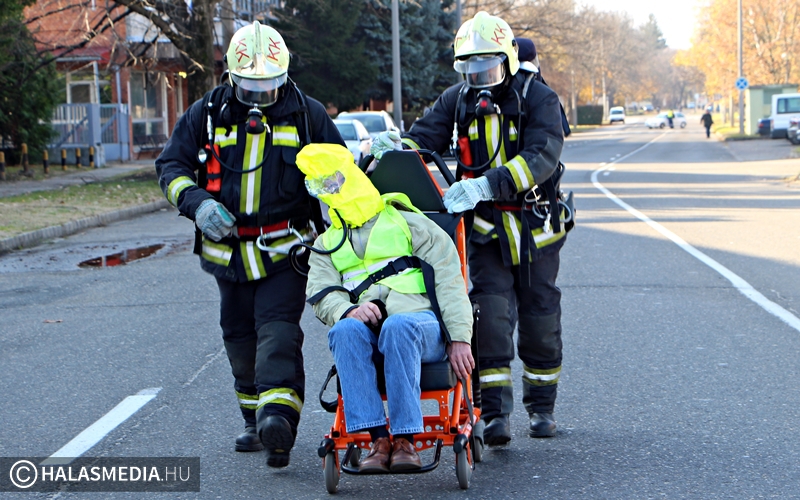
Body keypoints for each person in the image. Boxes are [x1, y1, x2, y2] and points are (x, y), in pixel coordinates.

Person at [371, 11, 572, 445]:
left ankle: (542, 408)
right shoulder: (458, 99)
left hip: (535, 228)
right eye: (470, 68)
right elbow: (424, 136)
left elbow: (543, 155)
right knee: (489, 318)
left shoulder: (539, 99)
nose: (479, 77)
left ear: (509, 61)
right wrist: (396, 145)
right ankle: (494, 413)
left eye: (488, 67)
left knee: (540, 318)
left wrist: (487, 183)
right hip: (485, 232)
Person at [155, 21, 345, 469]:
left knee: (277, 330)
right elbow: (171, 165)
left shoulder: (307, 114)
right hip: (228, 255)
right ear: (231, 78)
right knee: (238, 336)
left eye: (270, 88)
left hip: (286, 251)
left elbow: (341, 173)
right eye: (250, 90)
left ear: (284, 76)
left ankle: (278, 422)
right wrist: (196, 203)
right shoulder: (207, 113)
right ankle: (252, 416)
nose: (261, 99)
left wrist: (331, 188)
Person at [299, 143, 474, 473]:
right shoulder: (326, 243)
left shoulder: (407, 221)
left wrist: (461, 337)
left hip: (421, 326)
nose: (331, 193)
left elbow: (451, 280)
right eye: (323, 187)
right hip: (369, 331)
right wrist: (348, 310)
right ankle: (379, 439)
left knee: (399, 326)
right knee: (344, 329)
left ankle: (406, 440)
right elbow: (321, 293)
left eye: (334, 183)